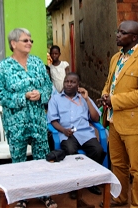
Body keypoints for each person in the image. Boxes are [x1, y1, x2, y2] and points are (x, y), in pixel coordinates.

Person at [0, 28, 57, 208]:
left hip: (37, 120)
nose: (29, 43)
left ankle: (43, 194)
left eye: (31, 40)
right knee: (19, 160)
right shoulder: (4, 67)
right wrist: (23, 97)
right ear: (13, 44)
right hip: (16, 122)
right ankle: (21, 196)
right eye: (25, 40)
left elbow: (48, 86)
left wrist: (41, 94)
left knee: (41, 158)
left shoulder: (37, 63)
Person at [101, 20, 138, 207]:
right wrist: (104, 95)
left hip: (133, 122)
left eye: (122, 33)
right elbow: (110, 83)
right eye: (118, 31)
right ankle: (121, 197)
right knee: (117, 163)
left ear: (134, 37)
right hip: (114, 120)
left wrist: (114, 101)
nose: (117, 35)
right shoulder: (115, 58)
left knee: (137, 168)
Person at [47, 72, 105, 200]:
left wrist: (87, 99)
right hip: (66, 133)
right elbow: (53, 121)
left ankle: (90, 182)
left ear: (78, 85)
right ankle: (74, 185)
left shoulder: (83, 99)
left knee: (98, 151)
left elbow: (95, 118)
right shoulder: (56, 99)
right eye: (66, 81)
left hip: (85, 133)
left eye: (72, 82)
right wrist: (63, 130)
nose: (68, 84)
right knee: (70, 151)